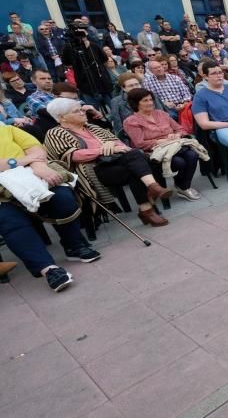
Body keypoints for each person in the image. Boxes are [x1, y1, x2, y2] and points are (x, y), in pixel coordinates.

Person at [0, 124, 101, 291]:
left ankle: (73, 245)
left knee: (62, 197)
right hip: (3, 194)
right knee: (10, 222)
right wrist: (24, 161)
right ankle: (48, 269)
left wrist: (38, 166)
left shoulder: (7, 129)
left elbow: (36, 150)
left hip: (31, 174)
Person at [44, 97, 172, 226]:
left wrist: (111, 143)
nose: (83, 113)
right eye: (76, 111)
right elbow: (73, 156)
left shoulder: (92, 127)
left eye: (82, 110)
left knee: (134, 159)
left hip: (118, 163)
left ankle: (148, 205)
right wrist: (102, 150)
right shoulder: (56, 133)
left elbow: (123, 147)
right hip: (93, 169)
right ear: (62, 118)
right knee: (136, 165)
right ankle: (152, 191)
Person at [123, 88, 203, 201]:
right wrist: (159, 141)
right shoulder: (131, 121)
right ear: (136, 103)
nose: (150, 103)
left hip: (175, 146)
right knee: (179, 162)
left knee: (192, 155)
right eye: (145, 100)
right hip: (154, 152)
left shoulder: (161, 114)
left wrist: (177, 135)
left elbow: (180, 129)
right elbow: (139, 144)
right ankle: (182, 186)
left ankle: (183, 187)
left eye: (151, 99)